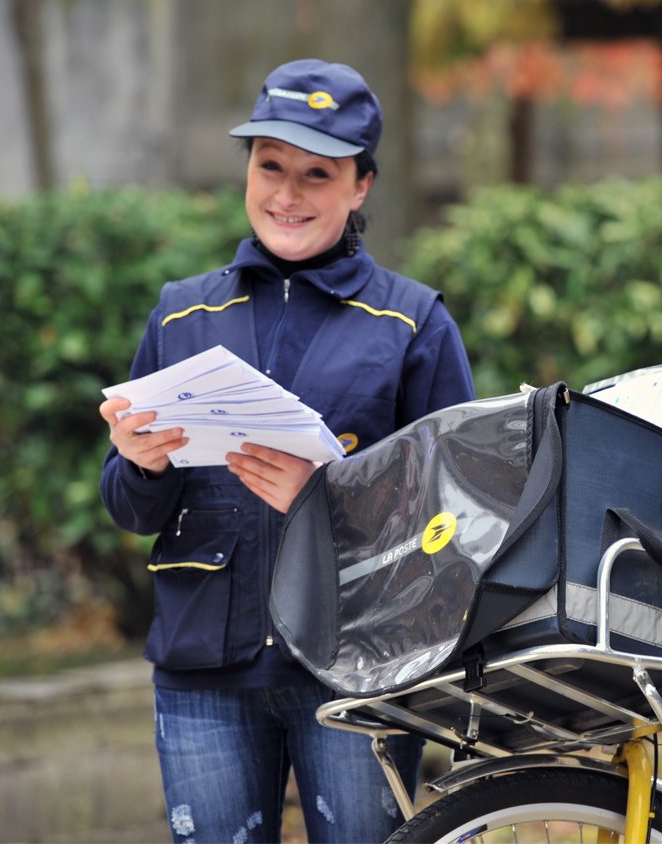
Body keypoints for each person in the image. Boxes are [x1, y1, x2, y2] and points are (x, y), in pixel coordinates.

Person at [99, 58, 475, 844]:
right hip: (204, 670)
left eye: (317, 174)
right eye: (270, 166)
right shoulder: (182, 315)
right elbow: (129, 509)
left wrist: (330, 496)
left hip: (353, 671)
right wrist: (141, 461)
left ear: (360, 186)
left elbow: (459, 515)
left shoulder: (413, 324)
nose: (286, 195)